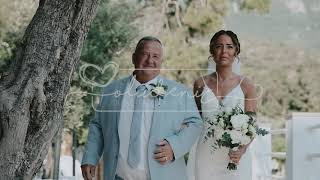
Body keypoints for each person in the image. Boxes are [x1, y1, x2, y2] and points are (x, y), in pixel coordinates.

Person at [81, 36, 203, 180]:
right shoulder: (110, 91)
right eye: (145, 54)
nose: (150, 60)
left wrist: (175, 147)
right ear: (134, 58)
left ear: (161, 62)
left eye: (156, 56)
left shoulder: (180, 93)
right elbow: (98, 126)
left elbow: (196, 124)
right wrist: (90, 157)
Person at [187, 30, 257, 180]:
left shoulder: (246, 85)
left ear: (236, 51)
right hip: (206, 154)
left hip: (234, 156)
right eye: (219, 46)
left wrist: (241, 151)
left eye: (229, 46)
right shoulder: (200, 84)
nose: (224, 51)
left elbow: (252, 126)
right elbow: (196, 121)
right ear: (212, 51)